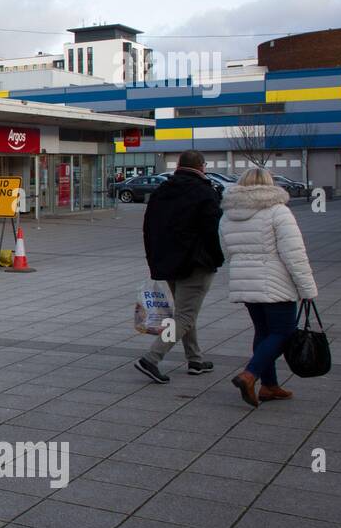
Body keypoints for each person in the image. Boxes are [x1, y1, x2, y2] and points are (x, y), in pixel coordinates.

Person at [218, 167, 318, 407]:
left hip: (246, 283)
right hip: (276, 283)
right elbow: (294, 255)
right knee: (283, 333)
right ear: (270, 184)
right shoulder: (278, 212)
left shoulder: (228, 215)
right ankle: (250, 375)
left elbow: (228, 251)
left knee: (263, 333)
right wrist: (308, 289)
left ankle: (269, 386)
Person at [135, 150, 225, 384]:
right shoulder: (205, 192)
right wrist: (216, 258)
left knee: (185, 313)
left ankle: (195, 359)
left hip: (168, 262)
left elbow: (149, 228)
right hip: (196, 263)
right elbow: (211, 232)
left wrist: (154, 259)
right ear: (202, 167)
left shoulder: (163, 191)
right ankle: (151, 358)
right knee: (185, 315)